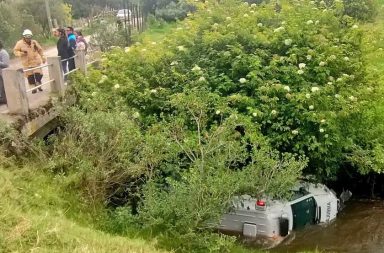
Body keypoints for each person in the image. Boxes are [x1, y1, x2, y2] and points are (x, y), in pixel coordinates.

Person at [13, 29, 46, 94]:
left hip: (36, 62)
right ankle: (33, 88)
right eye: (27, 37)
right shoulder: (19, 43)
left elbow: (40, 50)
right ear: (24, 37)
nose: (28, 39)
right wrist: (21, 53)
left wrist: (43, 56)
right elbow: (15, 51)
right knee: (30, 78)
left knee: (38, 75)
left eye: (29, 37)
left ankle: (38, 85)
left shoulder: (34, 42)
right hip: (27, 63)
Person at [0, 40, 10, 104]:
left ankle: (6, 100)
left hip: (3, 74)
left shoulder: (3, 52)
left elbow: (6, 64)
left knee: (4, 88)